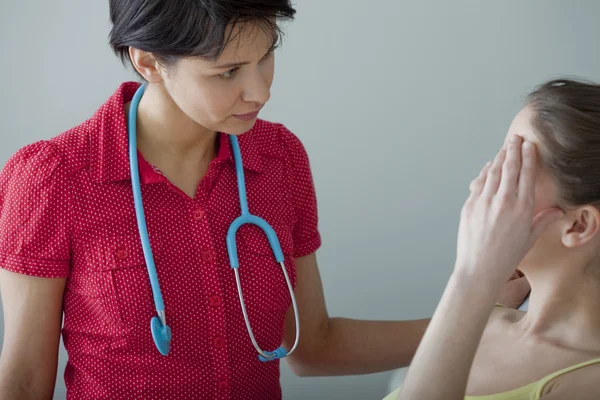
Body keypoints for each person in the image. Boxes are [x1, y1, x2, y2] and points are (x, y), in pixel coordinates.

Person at [0, 1, 527, 399]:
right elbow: (23, 381)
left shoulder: (279, 159)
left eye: (266, 56)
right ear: (148, 62)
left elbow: (312, 348)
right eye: (227, 72)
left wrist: (474, 309)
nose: (260, 91)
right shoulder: (53, 178)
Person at [385, 78, 600, 400]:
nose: (479, 187)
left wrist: (475, 275)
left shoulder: (586, 381)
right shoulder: (486, 317)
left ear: (579, 226)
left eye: (513, 173)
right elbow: (318, 351)